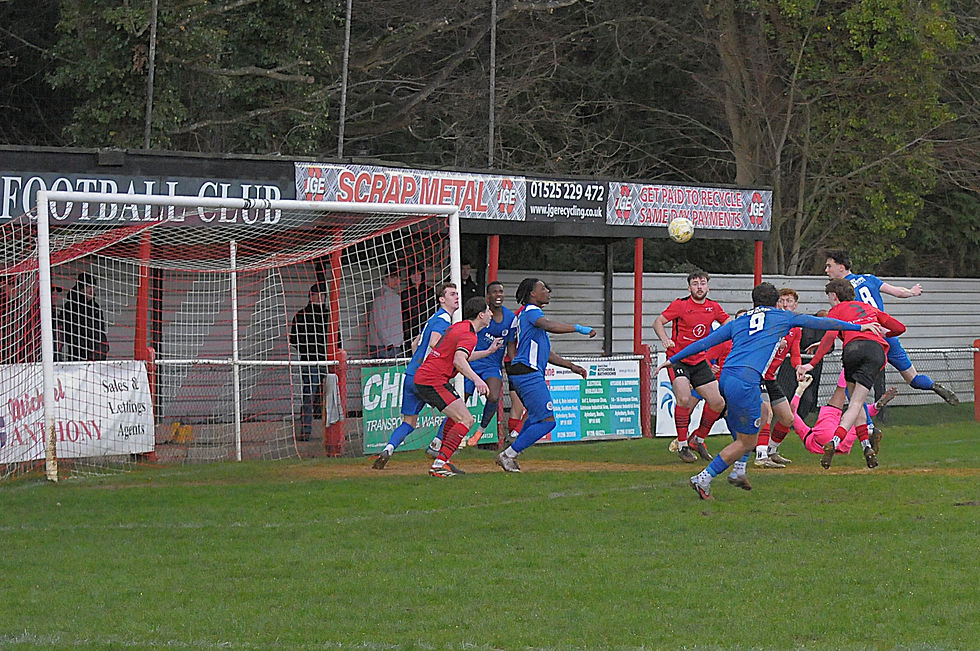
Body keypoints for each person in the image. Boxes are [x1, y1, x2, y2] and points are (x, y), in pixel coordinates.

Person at [655, 282, 886, 500]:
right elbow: (819, 323)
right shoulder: (780, 317)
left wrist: (673, 359)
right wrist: (857, 326)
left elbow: (706, 341)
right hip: (746, 381)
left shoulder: (741, 320)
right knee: (747, 441)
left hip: (727, 378)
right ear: (776, 302)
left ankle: (738, 470)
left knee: (760, 419)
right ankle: (703, 478)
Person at [796, 278, 906, 469]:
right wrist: (882, 334)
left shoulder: (836, 311)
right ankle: (837, 441)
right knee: (857, 402)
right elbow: (899, 328)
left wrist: (811, 364)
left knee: (857, 402)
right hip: (874, 351)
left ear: (834, 296)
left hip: (851, 351)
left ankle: (864, 447)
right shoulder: (867, 307)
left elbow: (829, 337)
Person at [825, 250, 958, 406]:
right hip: (887, 334)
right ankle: (933, 385)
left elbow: (839, 322)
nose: (826, 270)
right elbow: (897, 292)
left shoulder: (842, 291)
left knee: (850, 388)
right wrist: (912, 292)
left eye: (829, 266)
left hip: (866, 341)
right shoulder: (868, 278)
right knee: (913, 378)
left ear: (841, 267)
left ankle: (868, 426)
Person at [495, 278, 597, 473]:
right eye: (543, 288)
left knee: (534, 418)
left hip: (523, 372)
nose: (548, 291)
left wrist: (571, 366)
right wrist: (578, 328)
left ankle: (512, 451)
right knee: (547, 422)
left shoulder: (524, 317)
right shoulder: (532, 311)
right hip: (528, 373)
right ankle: (508, 454)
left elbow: (545, 353)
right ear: (532, 294)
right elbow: (549, 325)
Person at [425, 280, 517, 456]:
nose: (499, 295)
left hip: (491, 365)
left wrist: (513, 367)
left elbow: (511, 345)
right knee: (459, 404)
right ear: (487, 297)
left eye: (501, 292)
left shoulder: (510, 319)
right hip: (471, 363)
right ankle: (438, 441)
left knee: (494, 395)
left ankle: (480, 431)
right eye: (495, 292)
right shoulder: (476, 319)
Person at [372, 282, 459, 469]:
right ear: (441, 299)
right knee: (459, 410)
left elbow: (414, 344)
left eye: (457, 293)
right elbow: (436, 343)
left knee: (409, 422)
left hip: (412, 373)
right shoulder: (443, 319)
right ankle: (437, 445)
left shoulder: (432, 319)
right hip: (427, 377)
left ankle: (388, 448)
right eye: (452, 294)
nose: (457, 296)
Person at [414, 296, 500, 477]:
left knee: (457, 417)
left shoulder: (461, 327)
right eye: (488, 311)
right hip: (432, 380)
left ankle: (443, 459)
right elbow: (459, 360)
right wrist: (477, 379)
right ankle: (439, 464)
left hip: (431, 378)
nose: (491, 314)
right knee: (466, 420)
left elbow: (462, 355)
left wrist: (488, 352)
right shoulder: (468, 334)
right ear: (480, 315)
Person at [652, 271, 730, 463]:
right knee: (684, 398)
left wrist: (721, 336)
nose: (699, 287)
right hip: (677, 359)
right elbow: (658, 322)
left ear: (708, 287)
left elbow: (728, 323)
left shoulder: (713, 307)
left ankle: (698, 439)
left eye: (702, 283)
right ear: (689, 288)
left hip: (699, 361)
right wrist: (665, 339)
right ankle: (682, 445)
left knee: (718, 402)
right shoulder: (681, 305)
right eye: (695, 284)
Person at [789, 373, 897, 458]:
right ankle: (848, 367)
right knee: (854, 409)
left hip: (833, 441)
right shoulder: (808, 436)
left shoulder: (809, 438)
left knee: (854, 413)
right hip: (843, 442)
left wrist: (800, 390)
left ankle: (871, 425)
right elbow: (792, 413)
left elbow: (791, 414)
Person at [754, 288, 802, 468]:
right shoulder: (770, 322)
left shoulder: (795, 328)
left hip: (771, 378)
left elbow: (795, 353)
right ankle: (761, 456)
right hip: (758, 376)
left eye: (789, 301)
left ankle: (772, 450)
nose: (785, 304)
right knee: (767, 413)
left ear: (795, 305)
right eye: (782, 300)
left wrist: (799, 367)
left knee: (787, 418)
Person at [289, 282, 331, 441]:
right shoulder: (301, 316)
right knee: (310, 395)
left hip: (327, 361)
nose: (320, 298)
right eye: (317, 295)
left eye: (323, 296)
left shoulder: (329, 314)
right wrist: (307, 351)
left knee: (328, 396)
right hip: (311, 361)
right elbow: (294, 340)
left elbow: (337, 337)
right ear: (311, 296)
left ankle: (329, 430)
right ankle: (306, 430)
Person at [60, 272, 108, 362]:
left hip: (97, 355)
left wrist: (103, 346)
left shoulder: (95, 307)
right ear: (81, 288)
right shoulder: (70, 307)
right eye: (88, 287)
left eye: (93, 287)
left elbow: (101, 330)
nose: (91, 290)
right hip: (79, 356)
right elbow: (67, 333)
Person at [366, 268, 403, 359]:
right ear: (386, 278)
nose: (395, 280)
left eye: (397, 277)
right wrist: (387, 342)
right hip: (383, 345)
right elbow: (378, 321)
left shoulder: (396, 296)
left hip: (395, 344)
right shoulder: (381, 295)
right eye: (392, 277)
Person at [400, 266, 429, 353]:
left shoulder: (429, 292)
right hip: (410, 332)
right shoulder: (405, 294)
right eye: (413, 274)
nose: (416, 277)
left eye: (418, 274)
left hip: (426, 330)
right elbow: (404, 315)